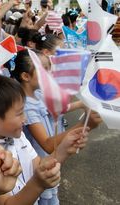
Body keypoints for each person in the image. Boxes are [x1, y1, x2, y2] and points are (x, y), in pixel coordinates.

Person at [0, 74, 89, 205]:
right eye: (20, 113)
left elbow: (38, 166)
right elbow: (7, 202)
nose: (25, 119)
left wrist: (64, 149)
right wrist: (38, 183)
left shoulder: (16, 135)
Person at [10, 50, 102, 204]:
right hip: (41, 164)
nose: (50, 72)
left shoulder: (38, 93)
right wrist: (85, 125)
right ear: (26, 76)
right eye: (44, 69)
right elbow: (47, 144)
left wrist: (80, 103)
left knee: (53, 194)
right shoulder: (26, 107)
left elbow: (56, 108)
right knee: (46, 198)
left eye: (49, 67)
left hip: (52, 160)